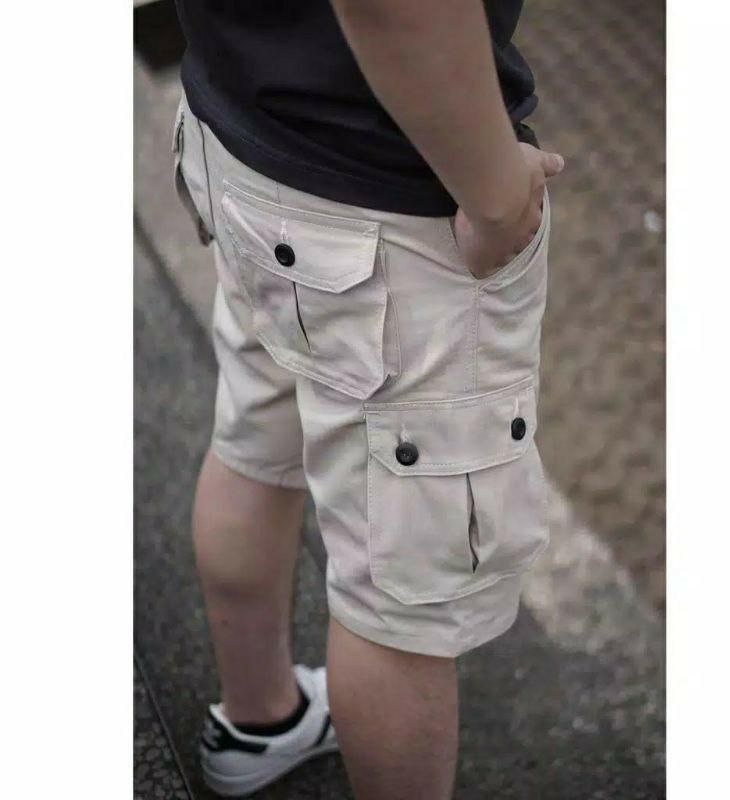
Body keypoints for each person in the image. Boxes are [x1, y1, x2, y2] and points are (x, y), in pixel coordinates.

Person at [170, 1, 564, 797]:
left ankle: (259, 721)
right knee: (399, 603)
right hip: (389, 199)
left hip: (237, 130)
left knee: (255, 438)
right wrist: (496, 192)